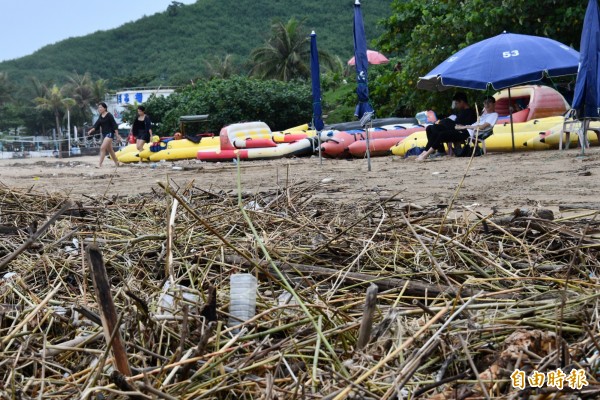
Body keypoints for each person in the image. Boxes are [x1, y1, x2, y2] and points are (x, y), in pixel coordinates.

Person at [416, 92, 477, 161]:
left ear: (462, 102)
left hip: (461, 131)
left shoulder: (470, 112)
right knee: (430, 128)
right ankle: (437, 150)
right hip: (454, 128)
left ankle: (432, 151)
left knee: (440, 126)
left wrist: (448, 122)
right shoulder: (461, 111)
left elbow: (464, 126)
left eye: (457, 103)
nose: (456, 106)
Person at [87, 102, 122, 168]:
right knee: (110, 150)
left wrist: (117, 135)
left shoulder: (109, 115)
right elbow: (96, 125)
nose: (99, 109)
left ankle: (100, 164)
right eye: (98, 107)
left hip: (110, 133)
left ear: (105, 108)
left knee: (102, 148)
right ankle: (117, 162)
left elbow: (114, 125)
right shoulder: (100, 116)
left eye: (101, 107)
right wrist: (91, 130)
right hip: (105, 134)